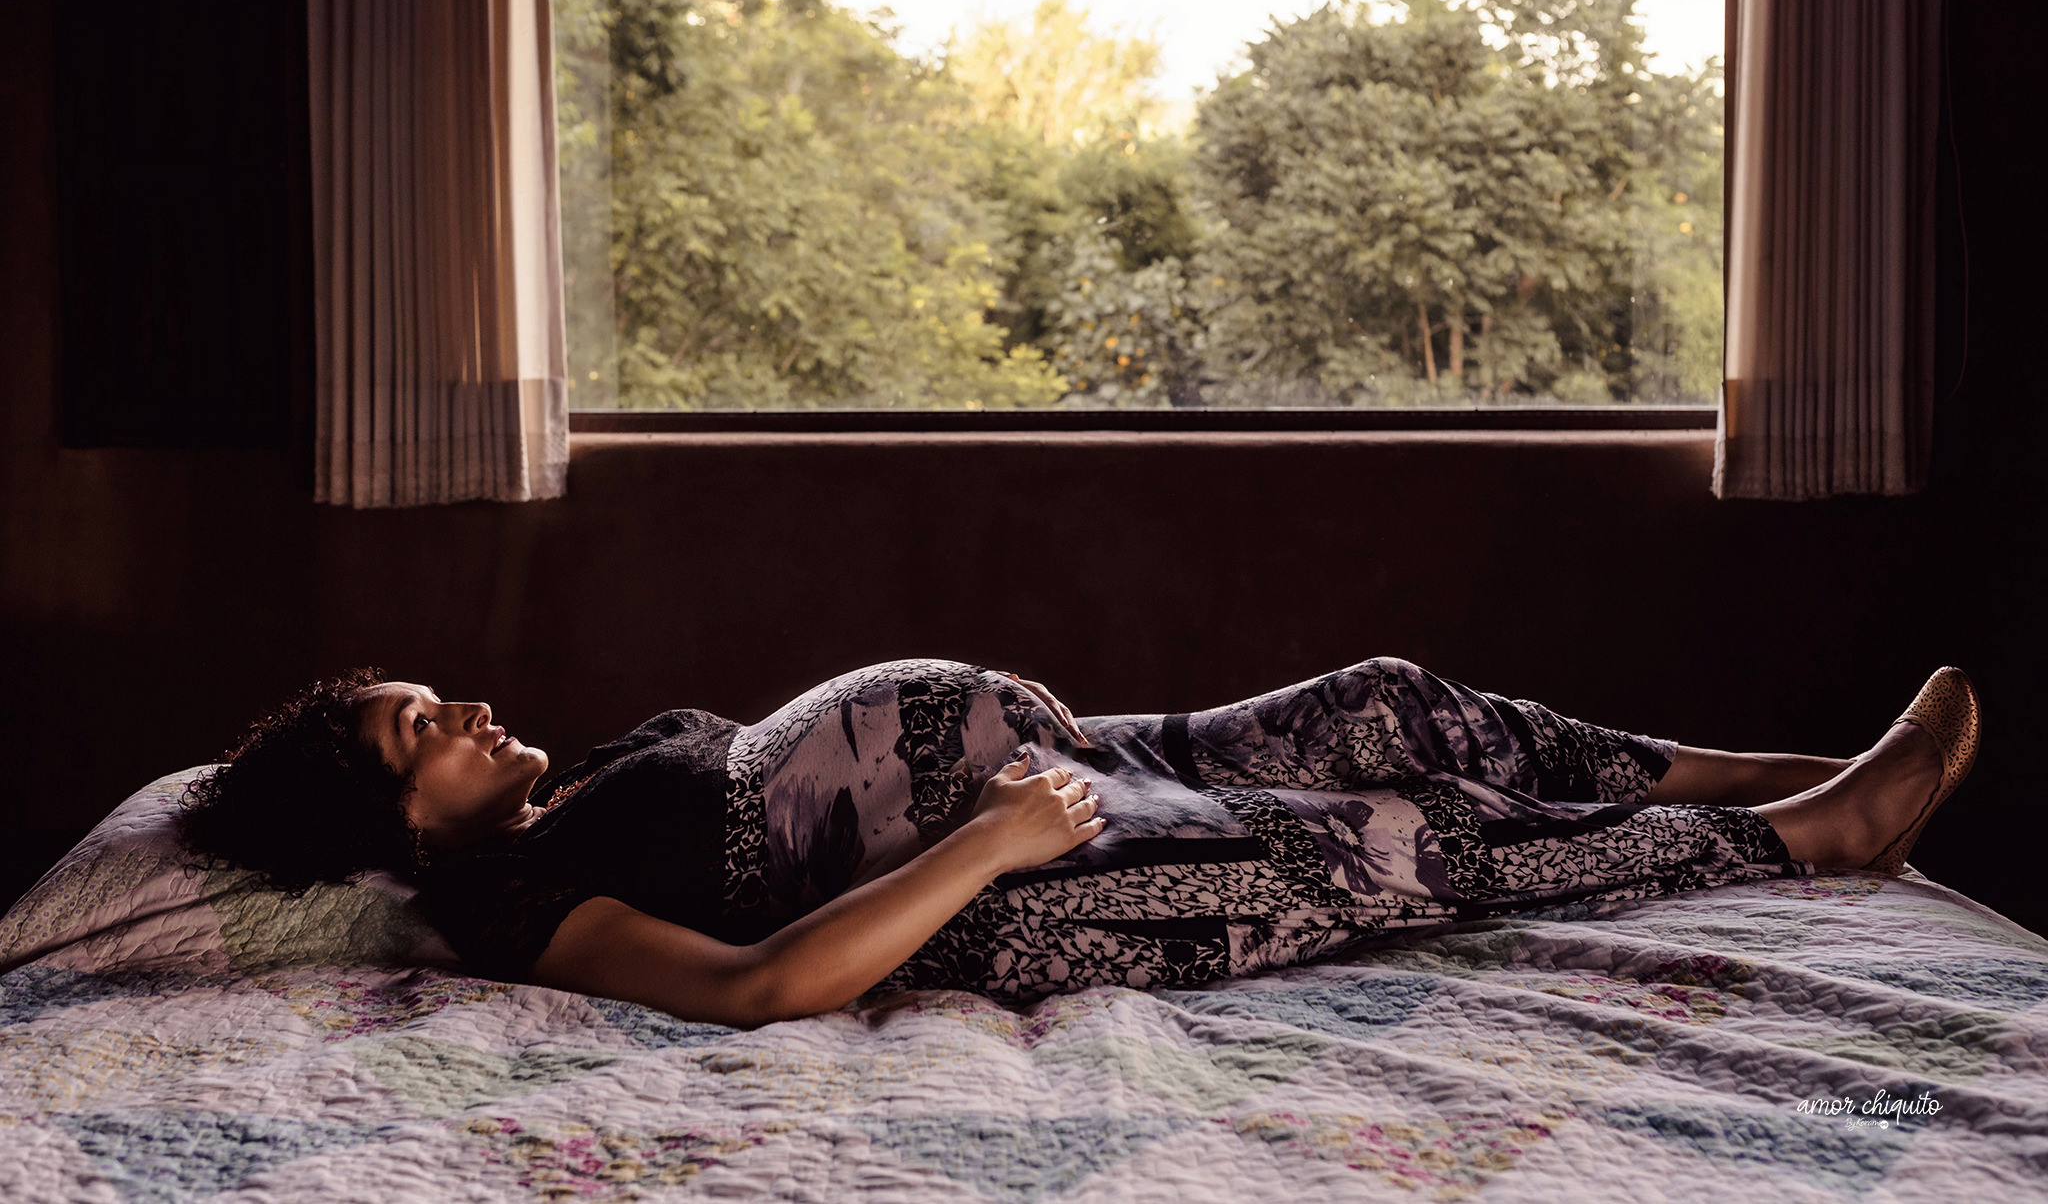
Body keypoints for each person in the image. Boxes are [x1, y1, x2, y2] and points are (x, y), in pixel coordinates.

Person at [177, 658, 1980, 1030]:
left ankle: (1778, 774)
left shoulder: (587, 776)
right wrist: (998, 836)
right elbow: (758, 986)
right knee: (1377, 840)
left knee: (1386, 704)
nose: (467, 710)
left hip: (1068, 763)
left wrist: (1028, 731)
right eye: (422, 731)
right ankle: (1809, 839)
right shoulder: (503, 895)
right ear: (390, 819)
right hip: (1002, 881)